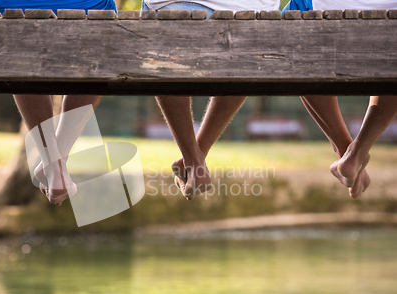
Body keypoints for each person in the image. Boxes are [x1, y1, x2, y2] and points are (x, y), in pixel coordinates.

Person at [0, 0, 115, 205]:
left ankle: (53, 163)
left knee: (19, 49)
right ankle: (55, 162)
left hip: (4, 11)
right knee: (102, 42)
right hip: (86, 11)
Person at [141, 0, 278, 200]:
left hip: (175, 9)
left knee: (166, 50)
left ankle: (194, 160)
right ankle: (197, 156)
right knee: (244, 60)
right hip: (256, 17)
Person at [283, 0, 397, 198]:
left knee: (291, 28)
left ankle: (347, 151)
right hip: (389, 24)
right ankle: (356, 152)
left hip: (323, 17)